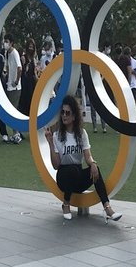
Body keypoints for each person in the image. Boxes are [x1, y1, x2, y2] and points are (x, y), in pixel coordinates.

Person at [44, 94, 122, 222]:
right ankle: (66, 204)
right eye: (62, 112)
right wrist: (50, 143)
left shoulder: (81, 134)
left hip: (78, 176)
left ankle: (107, 207)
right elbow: (56, 165)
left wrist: (92, 164)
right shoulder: (57, 135)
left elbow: (88, 156)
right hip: (64, 177)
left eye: (67, 113)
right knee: (72, 170)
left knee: (95, 170)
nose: (64, 115)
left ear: (74, 116)